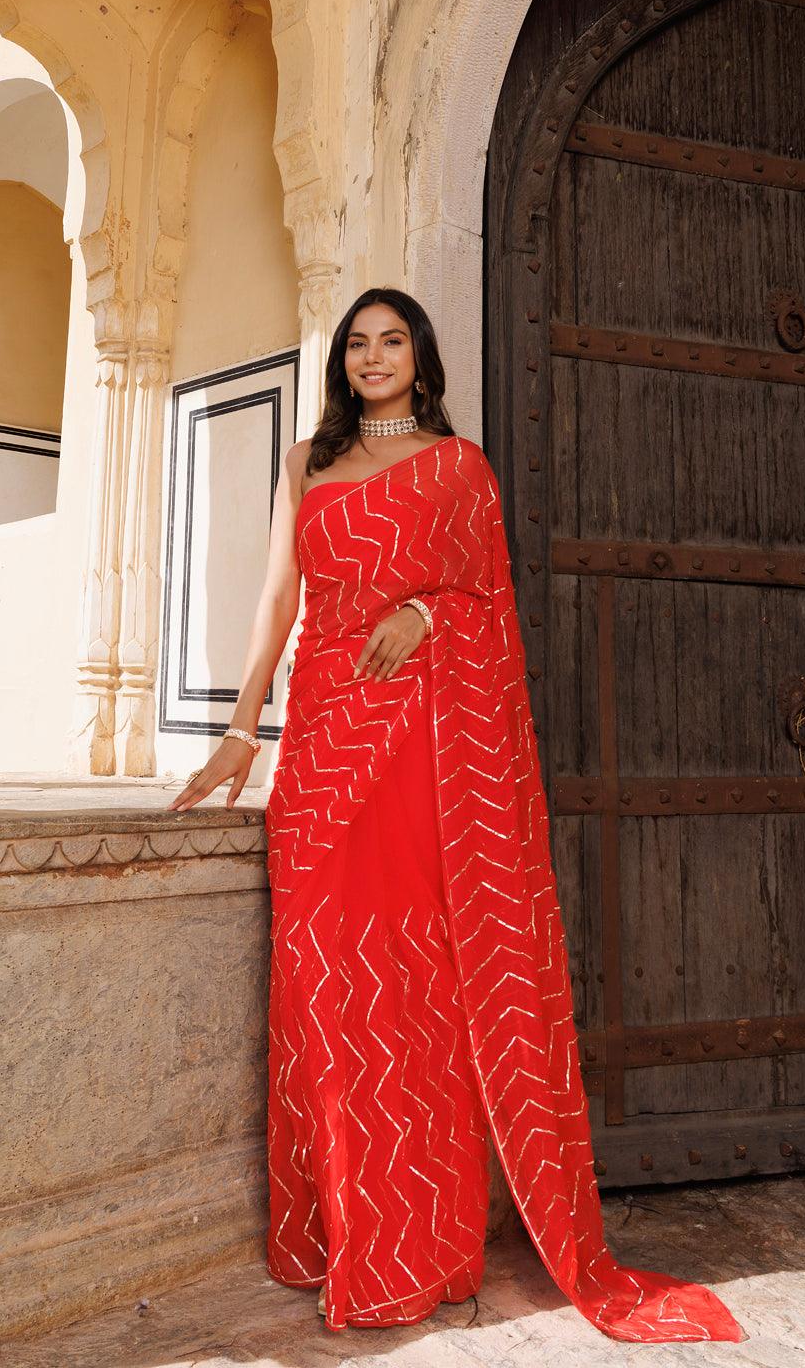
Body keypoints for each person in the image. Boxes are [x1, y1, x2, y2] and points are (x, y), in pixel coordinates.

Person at [169, 287, 745, 1344]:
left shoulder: (459, 466)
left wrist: (426, 609)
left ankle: (412, 1253)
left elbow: (489, 595)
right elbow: (274, 602)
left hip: (421, 754)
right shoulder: (305, 463)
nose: (373, 355)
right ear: (342, 361)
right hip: (324, 750)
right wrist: (243, 731)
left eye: (392, 341)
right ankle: (340, 1231)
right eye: (357, 342)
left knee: (412, 998)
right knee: (323, 997)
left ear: (421, 359)